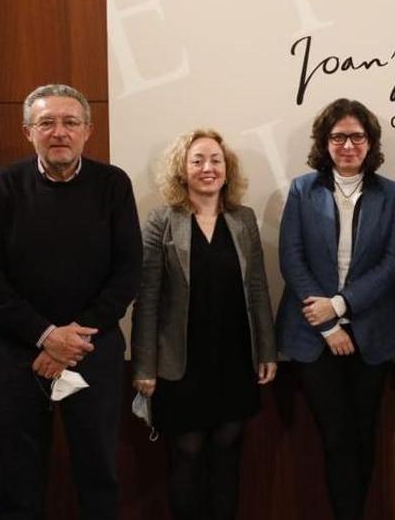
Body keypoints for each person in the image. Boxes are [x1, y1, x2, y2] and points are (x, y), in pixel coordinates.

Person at [0, 83, 141, 519]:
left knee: (99, 471)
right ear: (28, 131)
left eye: (70, 122)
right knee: (16, 477)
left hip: (93, 348)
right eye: (46, 123)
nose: (59, 132)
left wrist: (73, 341)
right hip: (19, 354)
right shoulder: (1, 187)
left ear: (88, 130)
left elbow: (127, 274)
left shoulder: (113, 184)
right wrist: (47, 337)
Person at [131, 129, 278, 520]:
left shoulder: (243, 219)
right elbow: (146, 298)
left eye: (215, 160)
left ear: (227, 169)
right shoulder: (161, 221)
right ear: (183, 169)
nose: (207, 168)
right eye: (197, 160)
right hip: (181, 361)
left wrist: (267, 350)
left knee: (229, 450)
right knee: (187, 452)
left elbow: (258, 289)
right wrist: (144, 366)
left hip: (234, 357)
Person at [275, 98, 395, 520]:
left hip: (371, 333)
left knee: (363, 435)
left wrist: (340, 304)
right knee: (334, 436)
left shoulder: (392, 194)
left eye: (356, 136)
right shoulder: (302, 189)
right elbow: (291, 258)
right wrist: (327, 324)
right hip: (313, 338)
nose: (347, 145)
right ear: (324, 142)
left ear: (369, 143)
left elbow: (393, 261)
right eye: (338, 137)